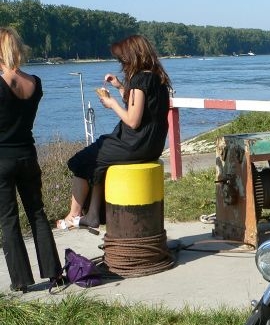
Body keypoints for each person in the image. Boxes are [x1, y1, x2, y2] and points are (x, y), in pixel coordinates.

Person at [56, 34, 172, 230]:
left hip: (134, 145)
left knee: (82, 160)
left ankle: (73, 214)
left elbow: (133, 120)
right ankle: (92, 215)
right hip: (152, 145)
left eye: (122, 59)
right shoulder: (155, 78)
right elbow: (141, 108)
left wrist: (112, 104)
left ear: (132, 56)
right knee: (100, 159)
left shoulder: (139, 80)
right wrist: (119, 86)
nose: (121, 63)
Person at [0, 27, 62, 292]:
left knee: (8, 219)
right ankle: (53, 272)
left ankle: (21, 280)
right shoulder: (35, 82)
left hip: (2, 159)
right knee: (37, 213)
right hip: (28, 154)